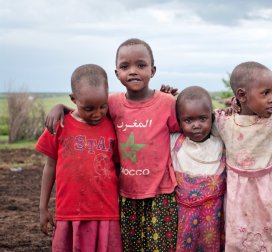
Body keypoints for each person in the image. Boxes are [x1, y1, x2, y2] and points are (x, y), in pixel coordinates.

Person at [45, 38, 180, 251]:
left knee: (161, 247)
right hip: (126, 195)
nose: (133, 71)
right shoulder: (113, 103)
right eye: (125, 66)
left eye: (141, 65)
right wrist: (59, 107)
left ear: (153, 71)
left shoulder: (167, 103)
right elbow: (85, 108)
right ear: (117, 74)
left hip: (161, 193)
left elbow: (190, 125)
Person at [36, 64, 122, 251]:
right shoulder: (60, 125)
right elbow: (49, 167)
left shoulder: (112, 126)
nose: (97, 113)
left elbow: (119, 166)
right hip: (69, 212)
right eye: (89, 108)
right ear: (73, 99)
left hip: (106, 212)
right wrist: (43, 207)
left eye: (103, 106)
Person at [214, 61, 272, 251]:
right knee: (239, 235)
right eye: (265, 93)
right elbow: (193, 120)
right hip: (238, 193)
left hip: (270, 189)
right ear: (241, 95)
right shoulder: (224, 122)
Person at [171, 86, 226, 251]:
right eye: (188, 120)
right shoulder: (175, 141)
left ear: (212, 117)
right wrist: (165, 99)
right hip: (184, 215)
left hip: (215, 215)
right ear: (179, 121)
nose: (196, 125)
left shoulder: (219, 140)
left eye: (203, 119)